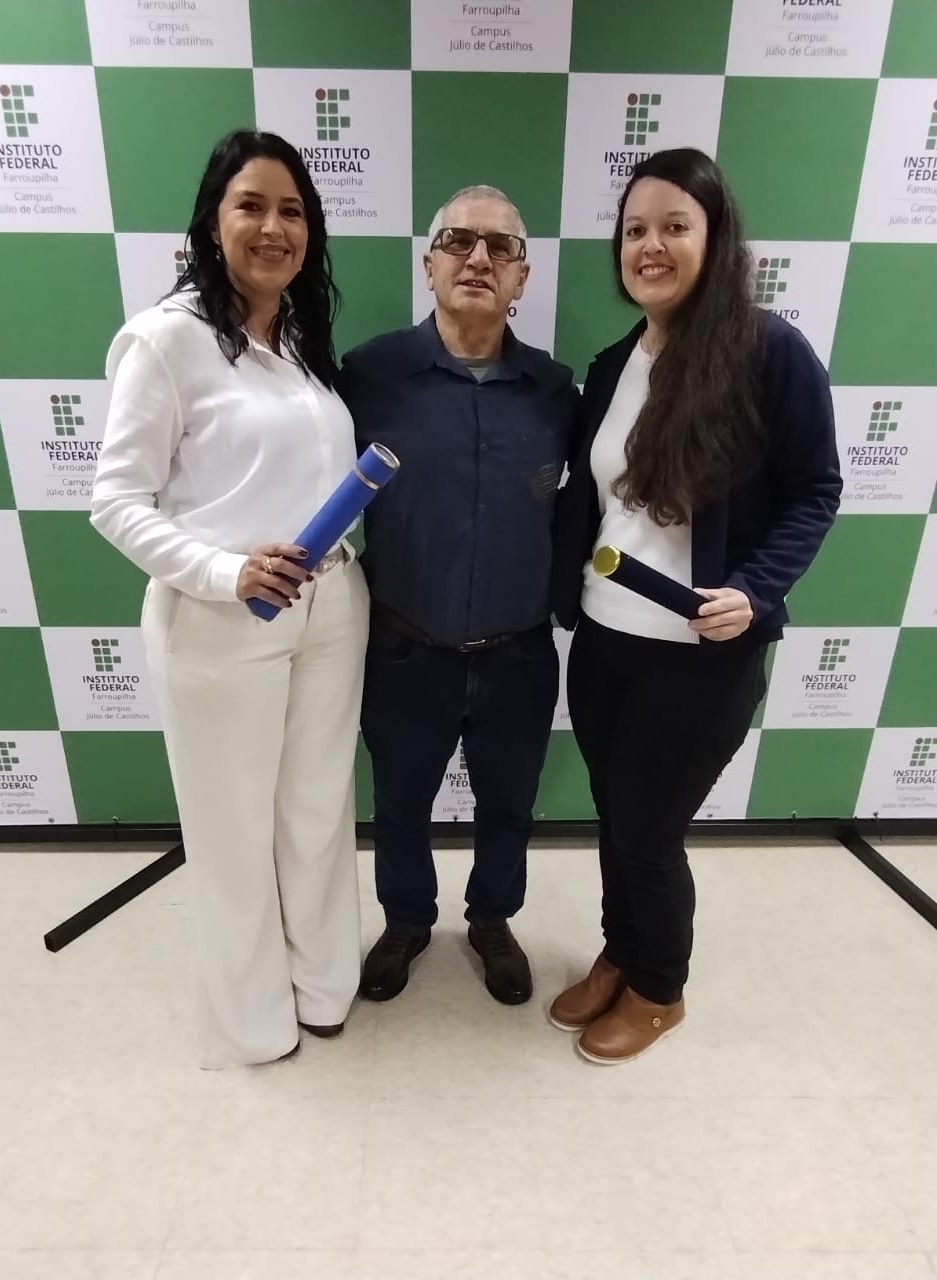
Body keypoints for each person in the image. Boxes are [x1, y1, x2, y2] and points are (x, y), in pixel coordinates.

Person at [549, 148, 841, 1064]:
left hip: (700, 656)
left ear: (715, 239)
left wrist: (755, 589)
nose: (652, 245)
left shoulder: (768, 352)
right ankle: (621, 951)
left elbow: (816, 490)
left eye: (675, 226)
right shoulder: (613, 364)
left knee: (648, 830)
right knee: (614, 814)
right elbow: (595, 501)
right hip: (606, 640)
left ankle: (660, 988)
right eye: (635, 229)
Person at [90, 130, 369, 1068]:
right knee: (233, 830)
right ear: (213, 222)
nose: (273, 227)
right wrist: (225, 571)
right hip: (221, 619)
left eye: (292, 210)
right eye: (251, 205)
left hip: (331, 606)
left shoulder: (297, 338)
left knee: (318, 811)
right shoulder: (165, 339)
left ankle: (324, 989)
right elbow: (114, 502)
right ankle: (252, 1026)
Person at [340, 185, 578, 1006]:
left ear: (523, 277)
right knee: (400, 804)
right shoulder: (368, 376)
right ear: (429, 263)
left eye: (501, 247)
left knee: (509, 805)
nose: (479, 258)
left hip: (520, 652)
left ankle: (492, 920)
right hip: (405, 648)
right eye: (458, 241)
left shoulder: (556, 392)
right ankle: (406, 921)